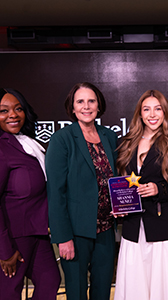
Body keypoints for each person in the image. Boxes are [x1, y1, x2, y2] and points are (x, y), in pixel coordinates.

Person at [113, 90, 168, 300]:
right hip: (134, 229)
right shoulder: (125, 144)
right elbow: (120, 184)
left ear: (165, 112)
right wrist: (118, 207)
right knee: (136, 287)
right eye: (147, 109)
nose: (152, 114)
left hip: (166, 230)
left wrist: (158, 189)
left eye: (158, 109)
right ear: (139, 114)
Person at [45, 82, 118, 300]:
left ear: (99, 105)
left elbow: (116, 180)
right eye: (80, 101)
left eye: (91, 101)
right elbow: (56, 193)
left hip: (105, 230)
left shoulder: (109, 136)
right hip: (76, 234)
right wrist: (63, 237)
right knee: (76, 293)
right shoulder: (62, 139)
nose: (86, 106)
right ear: (73, 107)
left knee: (102, 291)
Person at [0, 88, 60, 300]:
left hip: (38, 233)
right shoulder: (1, 148)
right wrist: (4, 251)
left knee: (50, 281)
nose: (13, 115)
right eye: (3, 111)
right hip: (12, 238)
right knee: (8, 293)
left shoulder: (28, 142)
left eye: (18, 109)